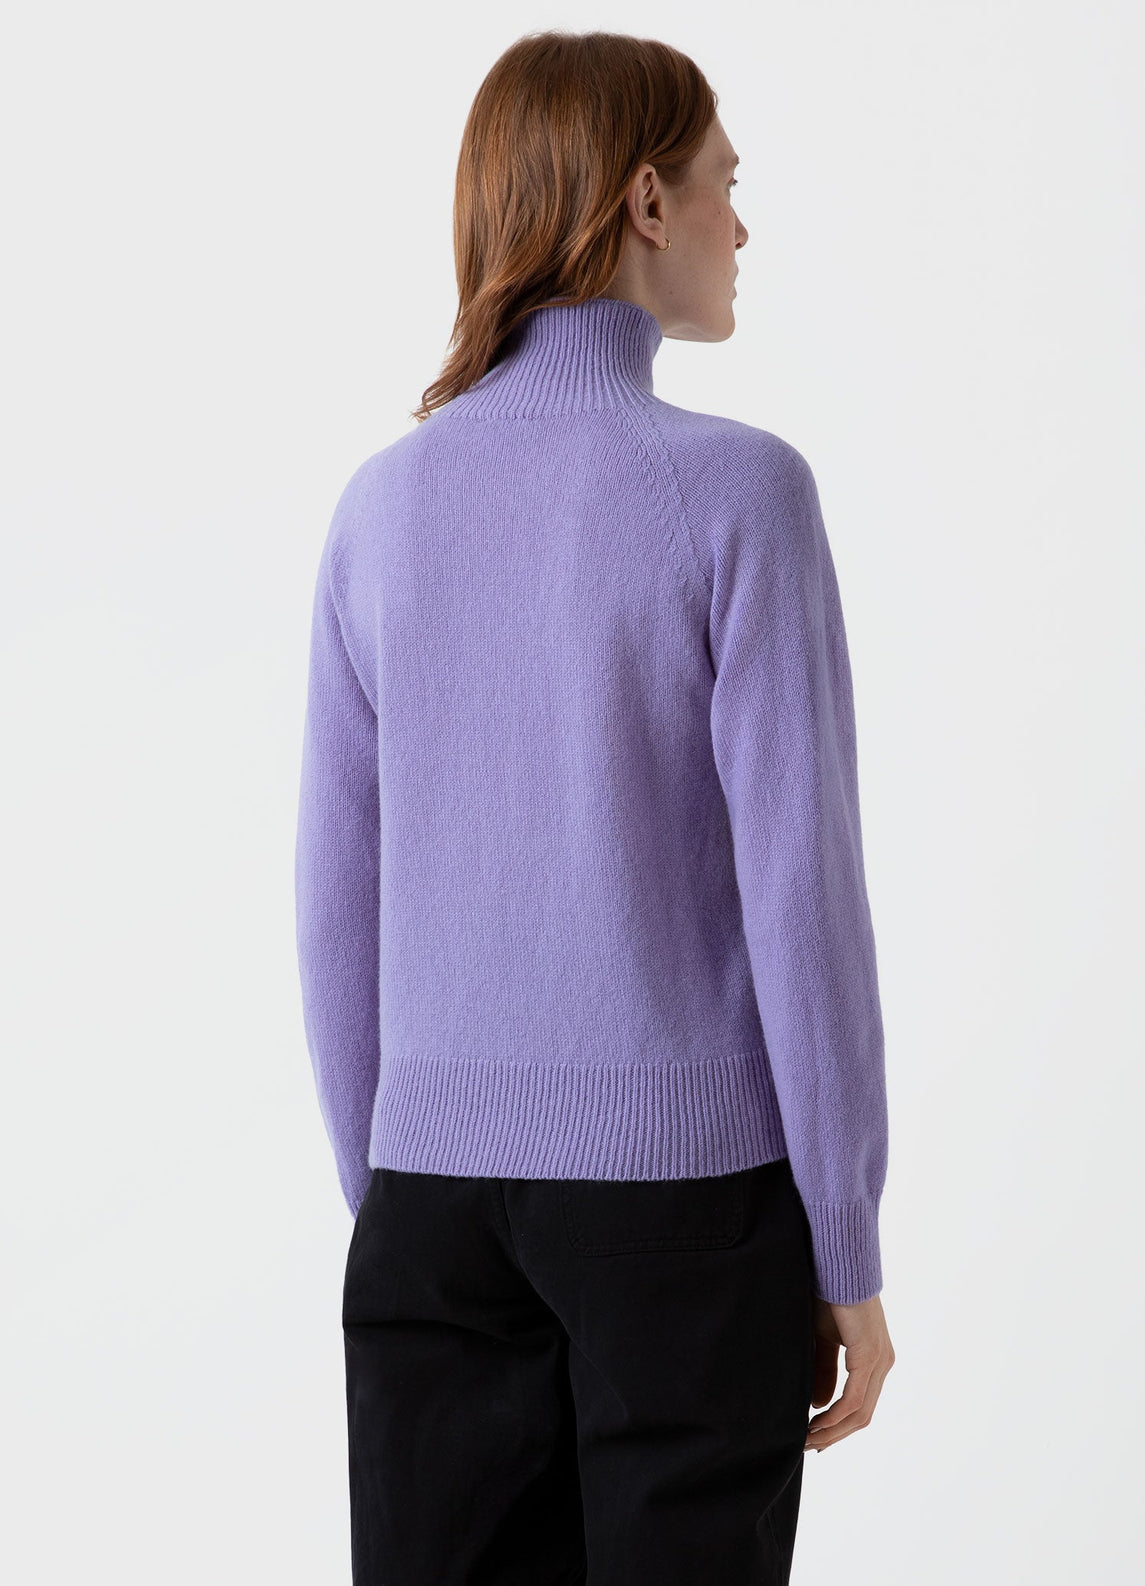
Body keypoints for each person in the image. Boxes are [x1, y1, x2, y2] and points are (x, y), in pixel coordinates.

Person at [294, 28, 894, 1586]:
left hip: (429, 1212)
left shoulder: (379, 507)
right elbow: (801, 894)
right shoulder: (740, 492)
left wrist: (399, 1191)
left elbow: (334, 892)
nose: (740, 225)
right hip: (683, 1215)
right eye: (723, 184)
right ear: (643, 201)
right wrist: (842, 1237)